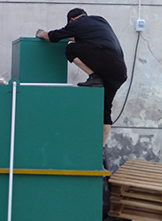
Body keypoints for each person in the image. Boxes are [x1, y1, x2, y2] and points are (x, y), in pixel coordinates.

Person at [35, 8, 127, 145]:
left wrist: (41, 33)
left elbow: (53, 36)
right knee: (105, 111)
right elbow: (84, 37)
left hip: (105, 61)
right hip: (119, 71)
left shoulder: (76, 24)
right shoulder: (100, 20)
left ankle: (94, 76)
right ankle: (99, 150)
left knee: (71, 49)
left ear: (71, 20)